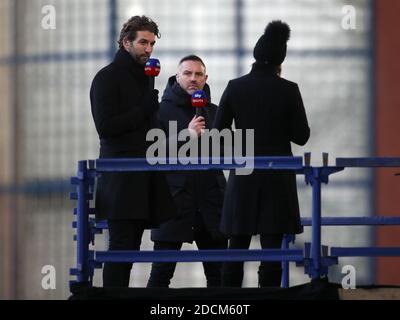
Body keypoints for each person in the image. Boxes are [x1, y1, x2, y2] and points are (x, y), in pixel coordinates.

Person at [213, 21, 310, 287]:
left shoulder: (235, 86)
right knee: (271, 250)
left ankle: (229, 303)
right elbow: (301, 136)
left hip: (244, 174)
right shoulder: (289, 90)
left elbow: (218, 131)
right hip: (277, 177)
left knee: (237, 246)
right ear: (280, 59)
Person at [90, 16, 177, 287]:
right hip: (121, 178)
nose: (148, 49)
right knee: (121, 248)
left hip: (144, 174)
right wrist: (144, 109)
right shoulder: (107, 78)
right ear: (126, 42)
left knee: (131, 249)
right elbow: (105, 127)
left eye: (152, 43)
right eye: (143, 42)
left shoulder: (145, 79)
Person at [147, 55, 228, 288]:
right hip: (172, 203)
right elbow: (153, 153)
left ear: (206, 78)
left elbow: (229, 151)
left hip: (211, 204)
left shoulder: (215, 112)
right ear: (177, 76)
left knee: (220, 280)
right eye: (187, 73)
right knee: (160, 277)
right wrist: (188, 135)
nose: (193, 79)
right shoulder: (160, 112)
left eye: (198, 74)